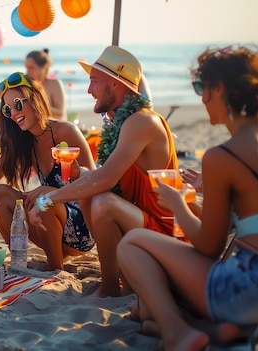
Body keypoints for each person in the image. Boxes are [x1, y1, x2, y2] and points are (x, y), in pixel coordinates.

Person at [117, 45, 258, 351]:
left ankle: (177, 333)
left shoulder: (223, 156)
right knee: (144, 309)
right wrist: (199, 197)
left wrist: (178, 204)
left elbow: (208, 246)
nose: (201, 98)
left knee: (133, 242)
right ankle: (214, 332)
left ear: (221, 89)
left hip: (250, 290)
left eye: (202, 87)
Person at [28, 46, 179, 297]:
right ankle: (116, 281)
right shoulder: (124, 122)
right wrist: (78, 174)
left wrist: (47, 199)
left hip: (163, 232)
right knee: (93, 194)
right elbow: (109, 179)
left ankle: (110, 289)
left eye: (94, 81)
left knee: (103, 202)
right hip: (140, 223)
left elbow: (106, 180)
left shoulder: (142, 121)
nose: (89, 90)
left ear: (116, 83)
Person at [0, 72, 97, 270]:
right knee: (0, 194)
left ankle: (56, 269)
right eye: (7, 109)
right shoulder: (24, 142)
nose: (13, 113)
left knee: (44, 198)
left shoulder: (65, 131)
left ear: (35, 98)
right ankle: (19, 262)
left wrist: (51, 195)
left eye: (18, 105)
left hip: (83, 229)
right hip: (50, 227)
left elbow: (94, 182)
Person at [25, 49, 66, 119]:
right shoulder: (27, 85)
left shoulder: (54, 84)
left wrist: (37, 105)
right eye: (27, 67)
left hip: (55, 127)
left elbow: (60, 113)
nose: (27, 72)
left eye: (32, 67)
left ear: (43, 68)